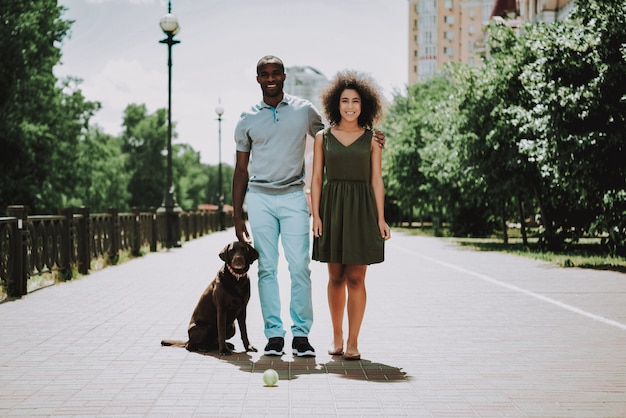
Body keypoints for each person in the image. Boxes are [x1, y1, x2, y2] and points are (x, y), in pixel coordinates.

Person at [232, 56, 384, 357]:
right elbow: (240, 170)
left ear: (284, 76)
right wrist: (237, 215)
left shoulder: (304, 111)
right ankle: (274, 336)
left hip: (292, 196)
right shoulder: (246, 118)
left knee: (300, 267)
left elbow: (336, 134)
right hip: (260, 198)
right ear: (258, 78)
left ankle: (301, 335)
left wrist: (372, 134)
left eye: (276, 73)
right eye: (265, 74)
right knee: (267, 269)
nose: (271, 78)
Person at [310, 70, 391, 361]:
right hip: (332, 210)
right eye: (345, 101)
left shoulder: (373, 140)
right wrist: (316, 216)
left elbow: (377, 181)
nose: (350, 106)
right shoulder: (323, 137)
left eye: (355, 101)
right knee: (335, 276)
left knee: (356, 277)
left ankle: (354, 341)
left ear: (364, 104)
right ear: (336, 104)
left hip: (362, 210)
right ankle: (336, 336)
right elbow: (317, 179)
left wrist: (381, 218)